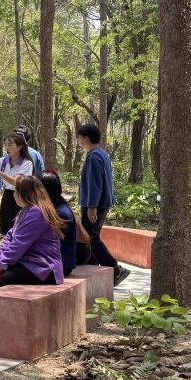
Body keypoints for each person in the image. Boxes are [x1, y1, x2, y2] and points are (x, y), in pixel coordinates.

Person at [0, 175, 65, 290]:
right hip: (29, 263)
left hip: (44, 267)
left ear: (24, 194)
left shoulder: (36, 212)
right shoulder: (25, 211)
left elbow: (19, 243)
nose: (14, 195)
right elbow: (9, 238)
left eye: (16, 191)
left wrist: (1, 263)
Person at [77, 122, 129, 286]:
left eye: (79, 137)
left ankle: (115, 269)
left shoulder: (94, 157)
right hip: (102, 202)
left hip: (95, 204)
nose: (79, 141)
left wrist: (92, 206)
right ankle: (93, 269)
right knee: (92, 236)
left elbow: (95, 183)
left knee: (90, 237)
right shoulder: (102, 154)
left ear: (86, 138)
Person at [0, 131, 34, 235]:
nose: (7, 148)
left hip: (22, 197)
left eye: (10, 145)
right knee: (6, 228)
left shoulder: (27, 163)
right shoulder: (2, 161)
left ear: (19, 147)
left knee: (20, 230)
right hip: (7, 196)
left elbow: (17, 182)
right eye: (6, 145)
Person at [39, 170, 90, 276]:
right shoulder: (51, 207)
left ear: (45, 190)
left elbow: (46, 241)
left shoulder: (61, 213)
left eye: (36, 187)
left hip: (61, 264)